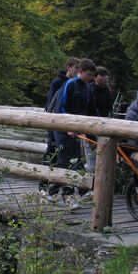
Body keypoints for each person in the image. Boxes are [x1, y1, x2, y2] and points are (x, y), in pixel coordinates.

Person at [47, 58, 97, 207]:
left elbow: (87, 111)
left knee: (74, 161)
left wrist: (91, 134)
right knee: (65, 161)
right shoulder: (70, 84)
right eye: (89, 74)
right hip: (63, 130)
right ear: (80, 72)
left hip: (76, 130)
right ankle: (68, 197)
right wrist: (67, 127)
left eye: (92, 75)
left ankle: (54, 192)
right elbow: (60, 107)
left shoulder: (87, 87)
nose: (91, 78)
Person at [44, 57, 80, 165]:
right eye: (76, 68)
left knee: (65, 153)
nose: (78, 71)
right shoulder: (57, 82)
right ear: (69, 68)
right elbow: (50, 103)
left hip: (68, 124)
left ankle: (58, 178)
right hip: (54, 122)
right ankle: (45, 179)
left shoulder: (75, 84)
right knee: (52, 150)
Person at [83, 66, 114, 174]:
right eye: (102, 76)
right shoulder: (89, 89)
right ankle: (86, 184)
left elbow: (109, 108)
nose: (105, 79)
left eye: (106, 76)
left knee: (102, 158)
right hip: (90, 127)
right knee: (91, 159)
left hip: (104, 127)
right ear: (95, 77)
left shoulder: (108, 90)